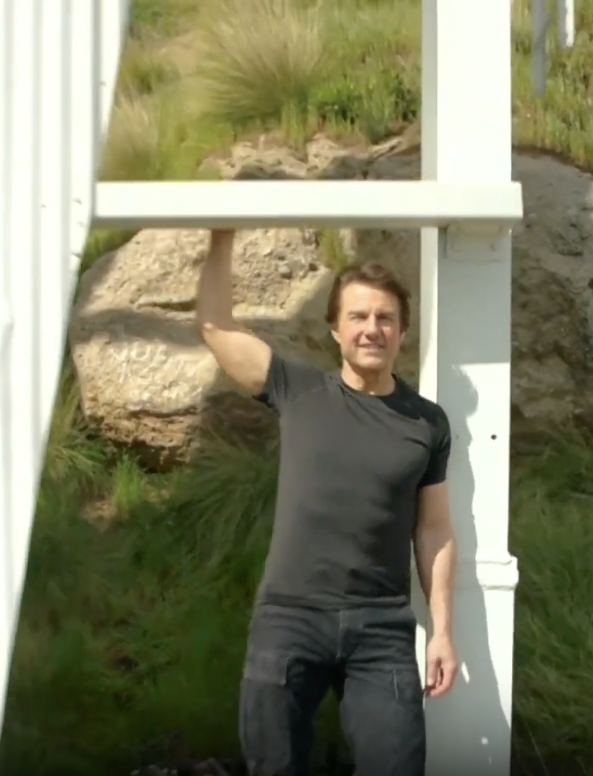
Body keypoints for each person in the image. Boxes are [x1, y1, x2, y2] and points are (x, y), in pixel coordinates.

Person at [195, 228, 458, 776]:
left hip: (381, 628)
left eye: (385, 318)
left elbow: (433, 531)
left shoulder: (427, 422)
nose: (372, 329)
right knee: (273, 766)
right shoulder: (298, 390)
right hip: (290, 618)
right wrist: (222, 236)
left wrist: (442, 631)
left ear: (403, 331)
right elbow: (217, 329)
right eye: (358, 317)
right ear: (335, 329)